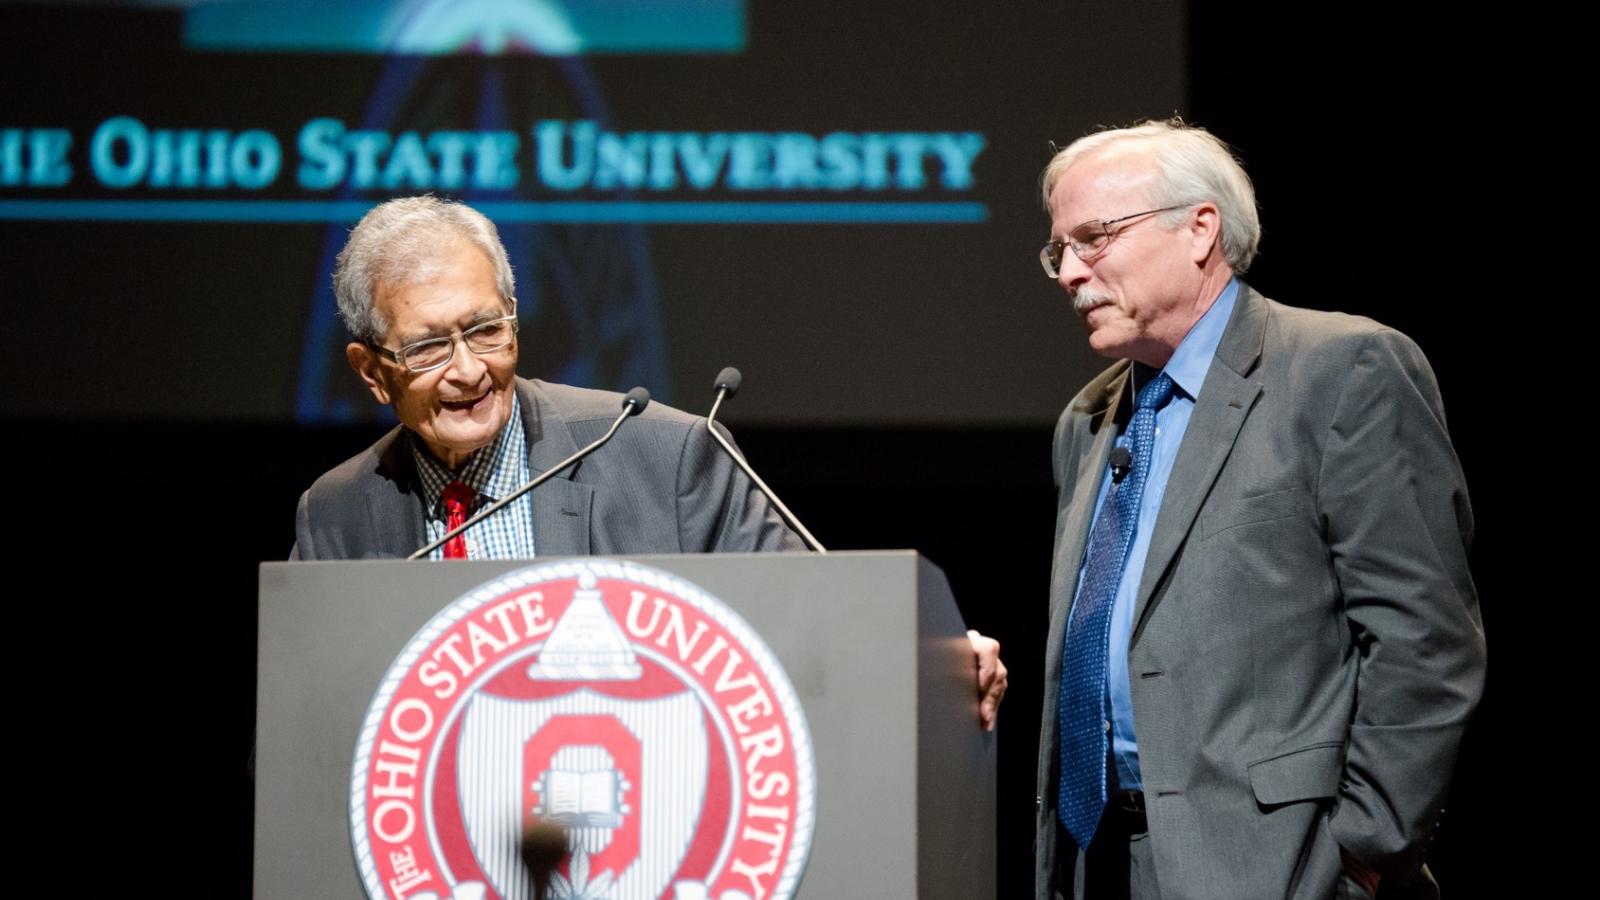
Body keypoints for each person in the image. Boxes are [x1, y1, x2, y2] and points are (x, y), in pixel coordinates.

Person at [289, 195, 1009, 727]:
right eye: (427, 347)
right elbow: (301, 733)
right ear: (372, 370)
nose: (468, 370)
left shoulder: (661, 454)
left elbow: (810, 626)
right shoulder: (339, 512)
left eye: (486, 330)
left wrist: (931, 663)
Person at [1032, 121, 1484, 899]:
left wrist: (1364, 854)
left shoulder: (1341, 369)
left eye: (1094, 238)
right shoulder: (1087, 420)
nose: (1070, 272)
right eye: (1058, 250)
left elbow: (1426, 642)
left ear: (1200, 228)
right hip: (1097, 860)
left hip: (1279, 866)